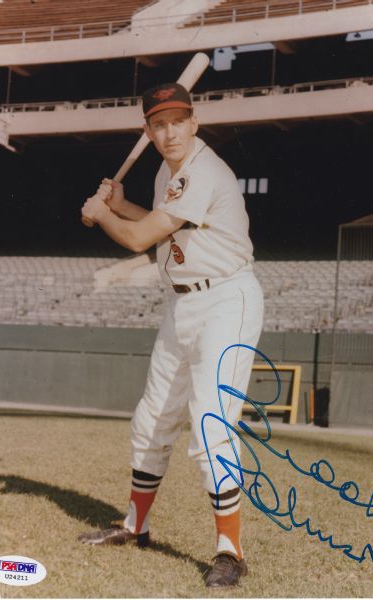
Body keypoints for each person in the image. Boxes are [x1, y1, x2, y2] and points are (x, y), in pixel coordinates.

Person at [79, 82, 264, 588]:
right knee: (152, 418)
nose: (169, 132)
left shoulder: (203, 169)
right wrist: (122, 204)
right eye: (159, 124)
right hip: (182, 301)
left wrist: (103, 217)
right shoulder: (168, 170)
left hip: (226, 298)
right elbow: (162, 224)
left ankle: (231, 551)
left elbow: (140, 239)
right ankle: (135, 525)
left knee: (210, 426)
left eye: (177, 121)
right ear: (149, 130)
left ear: (194, 123)